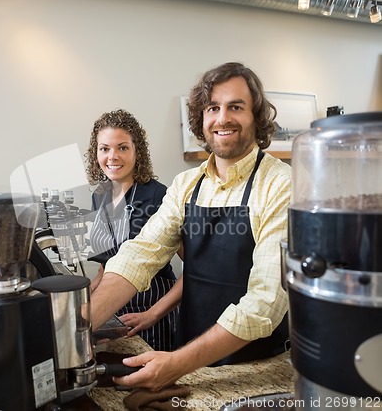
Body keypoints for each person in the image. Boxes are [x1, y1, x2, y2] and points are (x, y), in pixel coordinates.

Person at [90, 62, 291, 391]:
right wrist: (78, 326)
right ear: (201, 118)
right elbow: (140, 255)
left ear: (256, 115)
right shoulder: (187, 184)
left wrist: (176, 363)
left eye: (236, 107)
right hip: (191, 357)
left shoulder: (280, 185)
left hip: (258, 367)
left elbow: (266, 302)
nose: (222, 118)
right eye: (213, 108)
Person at [85, 108, 179, 352]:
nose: (112, 156)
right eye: (104, 148)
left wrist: (152, 314)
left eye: (122, 147)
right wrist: (89, 292)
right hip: (113, 310)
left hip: (152, 310)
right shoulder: (100, 195)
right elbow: (108, 260)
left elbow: (196, 269)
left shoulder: (159, 195)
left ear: (138, 151)